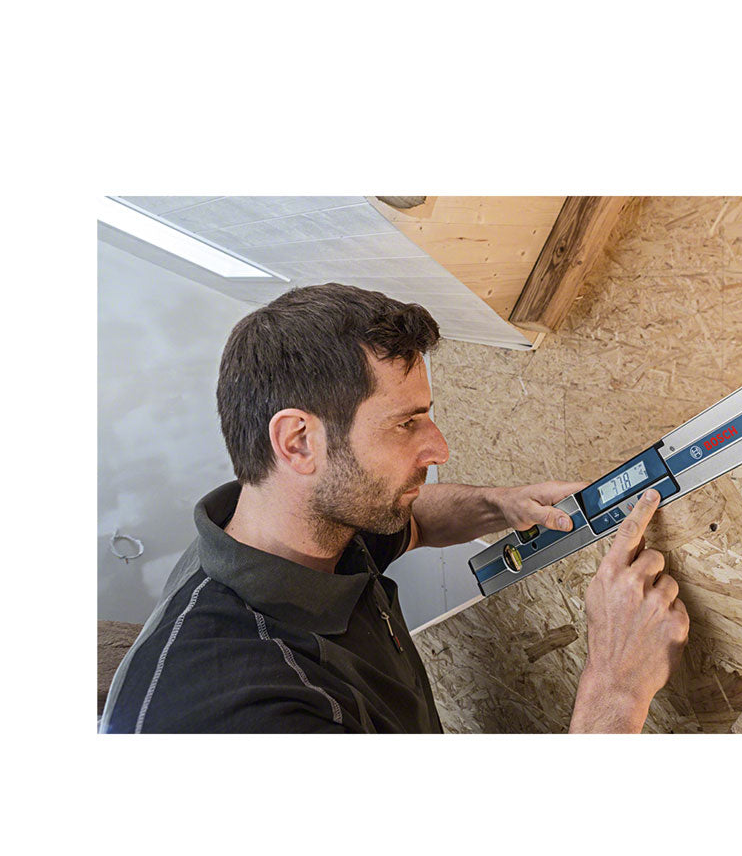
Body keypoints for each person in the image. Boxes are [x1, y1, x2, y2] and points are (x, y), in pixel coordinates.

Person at [100, 283, 688, 734]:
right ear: (298, 442)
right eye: (406, 424)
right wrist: (615, 687)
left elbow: (414, 519)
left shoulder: (298, 526)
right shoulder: (248, 713)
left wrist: (499, 506)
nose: (439, 448)